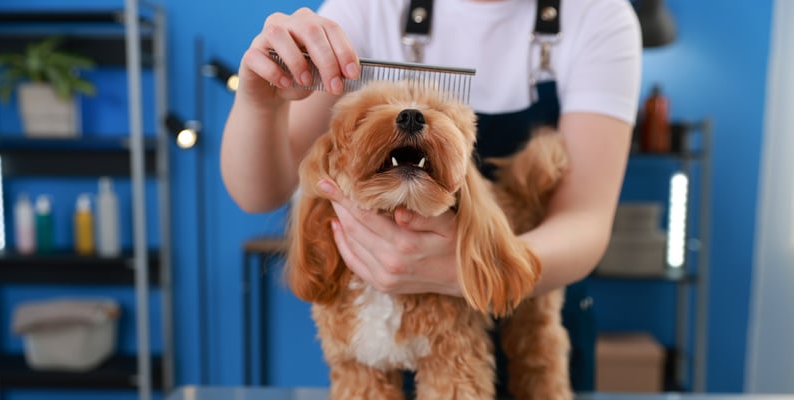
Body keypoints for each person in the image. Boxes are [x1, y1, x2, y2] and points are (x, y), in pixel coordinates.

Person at [221, 0, 641, 392]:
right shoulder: (366, 9)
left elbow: (585, 220)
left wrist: (475, 267)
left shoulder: (597, 15)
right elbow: (259, 193)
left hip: (533, 295)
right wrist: (261, 104)